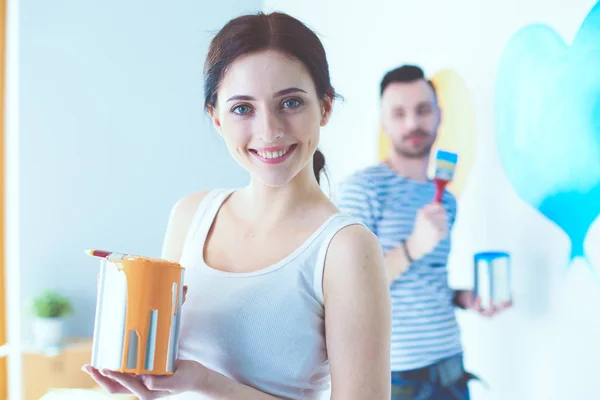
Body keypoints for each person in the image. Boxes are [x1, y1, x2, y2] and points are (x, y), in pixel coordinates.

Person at [83, 11, 391, 400]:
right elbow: (164, 376)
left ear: (325, 107)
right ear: (216, 117)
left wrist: (208, 383)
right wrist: (138, 370)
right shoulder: (190, 215)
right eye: (243, 108)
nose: (269, 131)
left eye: (291, 102)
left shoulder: (346, 249)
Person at [335, 65, 511, 400]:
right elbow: (347, 289)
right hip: (395, 377)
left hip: (451, 367)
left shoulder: (445, 201)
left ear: (439, 116)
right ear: (384, 123)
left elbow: (426, 281)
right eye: (399, 113)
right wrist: (414, 246)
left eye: (423, 110)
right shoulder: (362, 189)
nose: (412, 123)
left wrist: (463, 298)